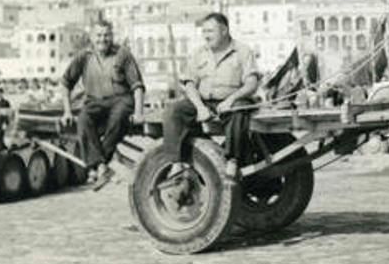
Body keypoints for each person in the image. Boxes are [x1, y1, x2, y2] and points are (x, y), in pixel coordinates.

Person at [162, 12, 260, 177]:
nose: (206, 36)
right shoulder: (198, 53)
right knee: (174, 110)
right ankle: (176, 162)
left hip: (232, 101)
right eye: (204, 31)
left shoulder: (243, 51)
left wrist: (231, 100)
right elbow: (189, 84)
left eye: (210, 31)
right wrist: (200, 107)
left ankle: (232, 161)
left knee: (239, 109)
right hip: (204, 102)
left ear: (224, 31)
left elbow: (251, 83)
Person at [60, 20, 145, 191]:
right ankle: (101, 168)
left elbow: (137, 86)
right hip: (94, 101)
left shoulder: (123, 54)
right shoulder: (83, 57)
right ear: (92, 37)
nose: (102, 39)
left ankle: (98, 165)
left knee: (118, 117)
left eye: (106, 35)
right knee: (83, 120)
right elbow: (65, 83)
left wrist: (138, 112)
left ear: (112, 36)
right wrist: (67, 112)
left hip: (121, 99)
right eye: (98, 35)